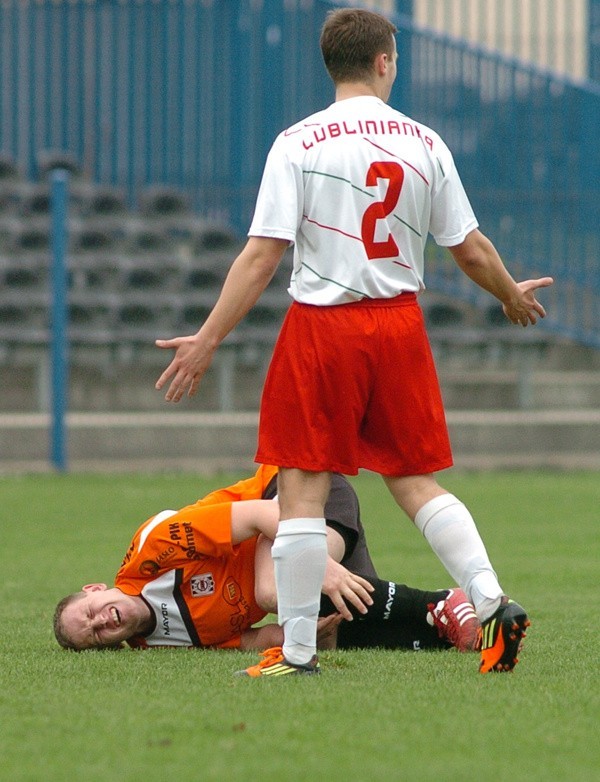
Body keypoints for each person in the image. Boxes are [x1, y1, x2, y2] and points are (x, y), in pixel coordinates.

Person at [153, 8, 548, 675]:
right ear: (386, 61)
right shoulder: (424, 142)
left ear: (331, 65)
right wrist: (509, 293)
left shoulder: (299, 142)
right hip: (398, 323)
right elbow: (470, 248)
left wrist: (208, 339)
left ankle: (298, 652)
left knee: (303, 489)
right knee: (415, 481)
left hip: (322, 328)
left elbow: (261, 256)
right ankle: (489, 600)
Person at [53, 466, 480, 657]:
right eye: (95, 636)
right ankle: (445, 633)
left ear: (95, 589)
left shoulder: (154, 550)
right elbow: (251, 641)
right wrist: (302, 633)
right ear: (112, 647)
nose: (100, 622)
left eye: (89, 612)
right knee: (323, 625)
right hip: (291, 540)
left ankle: (443, 602)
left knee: (276, 591)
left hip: (296, 490)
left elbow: (259, 516)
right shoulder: (157, 642)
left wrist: (315, 561)